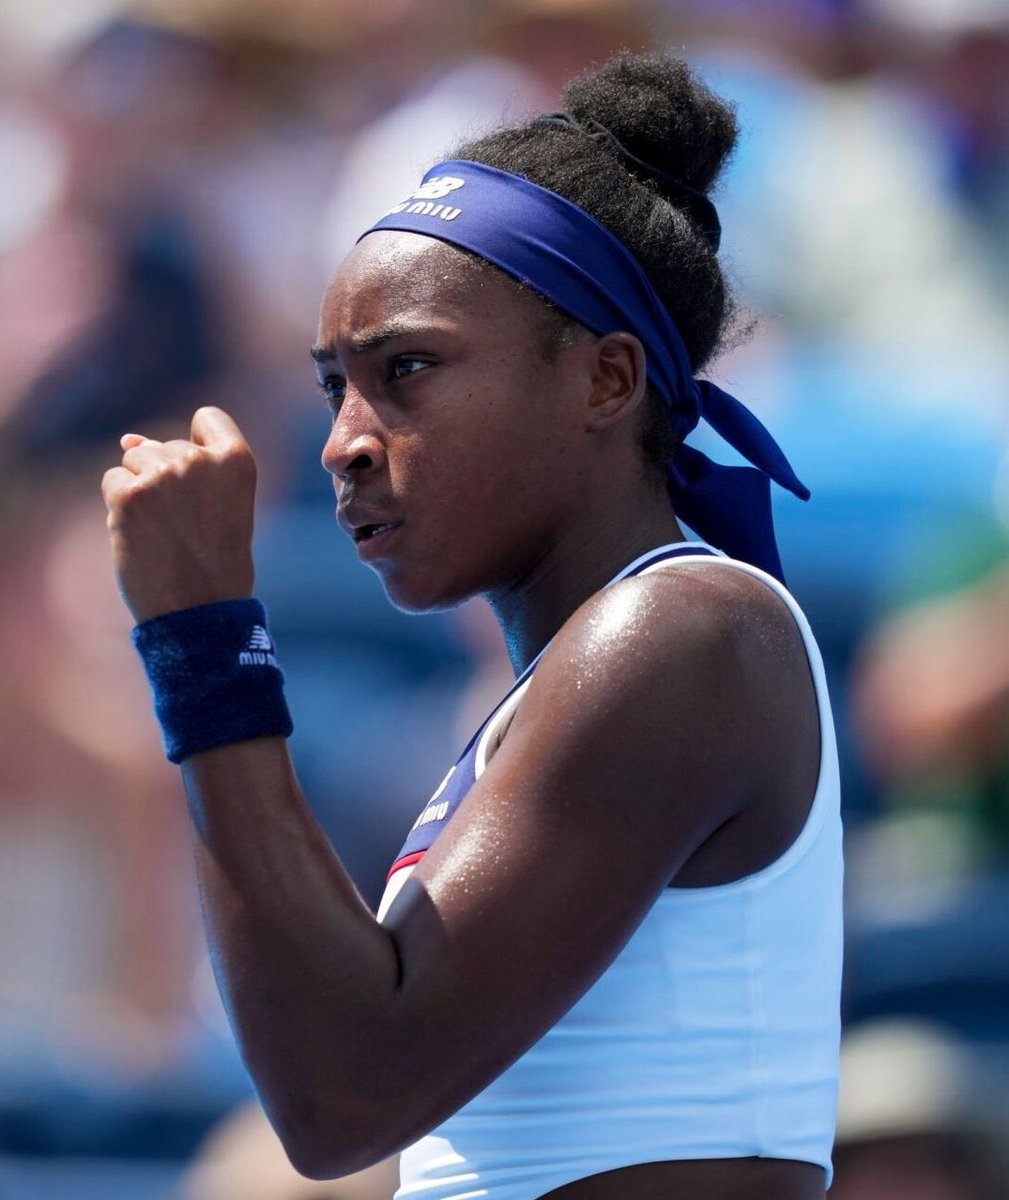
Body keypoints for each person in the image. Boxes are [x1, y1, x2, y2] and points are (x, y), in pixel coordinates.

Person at [102, 52, 843, 1200]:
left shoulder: (682, 628)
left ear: (605, 381)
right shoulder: (605, 661)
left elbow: (341, 1097)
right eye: (334, 387)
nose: (344, 442)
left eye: (407, 368)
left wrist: (203, 641)